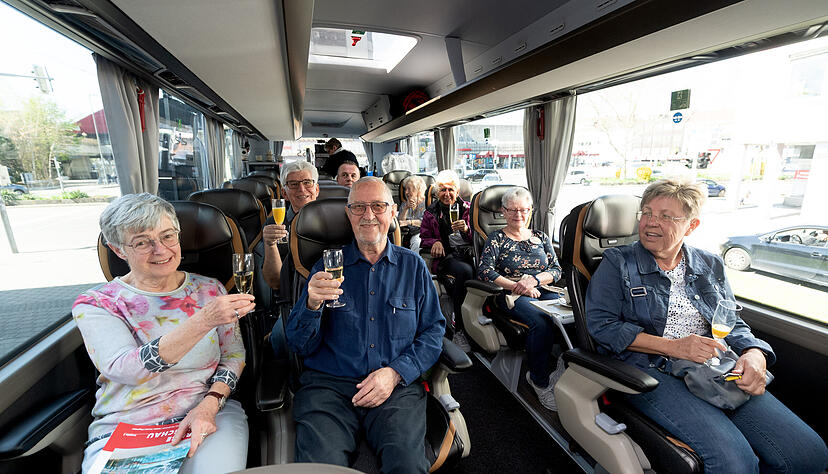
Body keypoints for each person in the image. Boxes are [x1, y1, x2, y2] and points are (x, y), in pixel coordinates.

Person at [586, 178, 828, 474]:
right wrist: (674, 347)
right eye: (646, 212)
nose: (651, 222)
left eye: (665, 216)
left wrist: (754, 353)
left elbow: (732, 321)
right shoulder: (618, 262)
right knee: (735, 465)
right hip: (650, 369)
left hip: (714, 368)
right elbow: (602, 326)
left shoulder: (710, 264)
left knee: (809, 454)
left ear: (691, 225)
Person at [73, 193, 253, 474]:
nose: (161, 250)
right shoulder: (98, 304)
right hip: (129, 423)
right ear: (119, 250)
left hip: (206, 410)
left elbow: (233, 354)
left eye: (168, 236)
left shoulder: (210, 289)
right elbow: (129, 370)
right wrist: (202, 320)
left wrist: (211, 402)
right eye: (142, 242)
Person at [285, 177, 445, 473]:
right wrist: (312, 304)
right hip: (329, 387)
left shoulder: (413, 267)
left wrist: (396, 373)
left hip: (394, 386)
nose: (368, 215)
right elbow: (298, 344)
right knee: (321, 469)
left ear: (393, 211)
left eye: (378, 206)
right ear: (348, 214)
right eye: (358, 207)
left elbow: (434, 332)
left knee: (408, 466)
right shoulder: (326, 267)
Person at [477, 187, 564, 410]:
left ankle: (564, 372)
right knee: (541, 321)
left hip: (539, 287)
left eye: (524, 210)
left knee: (573, 316)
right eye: (513, 210)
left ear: (531, 211)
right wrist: (518, 285)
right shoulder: (496, 239)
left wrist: (533, 281)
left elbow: (556, 270)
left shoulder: (541, 237)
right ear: (503, 212)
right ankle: (538, 380)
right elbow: (485, 271)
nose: (519, 215)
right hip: (508, 293)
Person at [420, 170, 473, 348]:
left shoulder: (467, 210)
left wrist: (466, 230)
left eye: (451, 190)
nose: (447, 194)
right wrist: (435, 241)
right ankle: (459, 330)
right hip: (445, 258)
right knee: (465, 272)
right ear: (436, 193)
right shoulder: (430, 212)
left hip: (468, 254)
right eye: (442, 190)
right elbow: (423, 237)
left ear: (457, 192)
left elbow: (478, 238)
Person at [261, 160, 319, 291]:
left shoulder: (334, 220)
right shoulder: (272, 225)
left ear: (317, 189)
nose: (302, 189)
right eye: (293, 184)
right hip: (292, 294)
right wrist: (270, 245)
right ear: (284, 193)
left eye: (307, 182)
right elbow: (275, 282)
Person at [399, 175, 427, 252]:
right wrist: (406, 209)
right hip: (409, 234)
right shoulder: (405, 203)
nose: (406, 192)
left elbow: (426, 222)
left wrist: (409, 222)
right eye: (405, 189)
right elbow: (400, 222)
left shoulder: (427, 203)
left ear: (418, 189)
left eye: (409, 189)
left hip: (422, 233)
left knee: (417, 242)